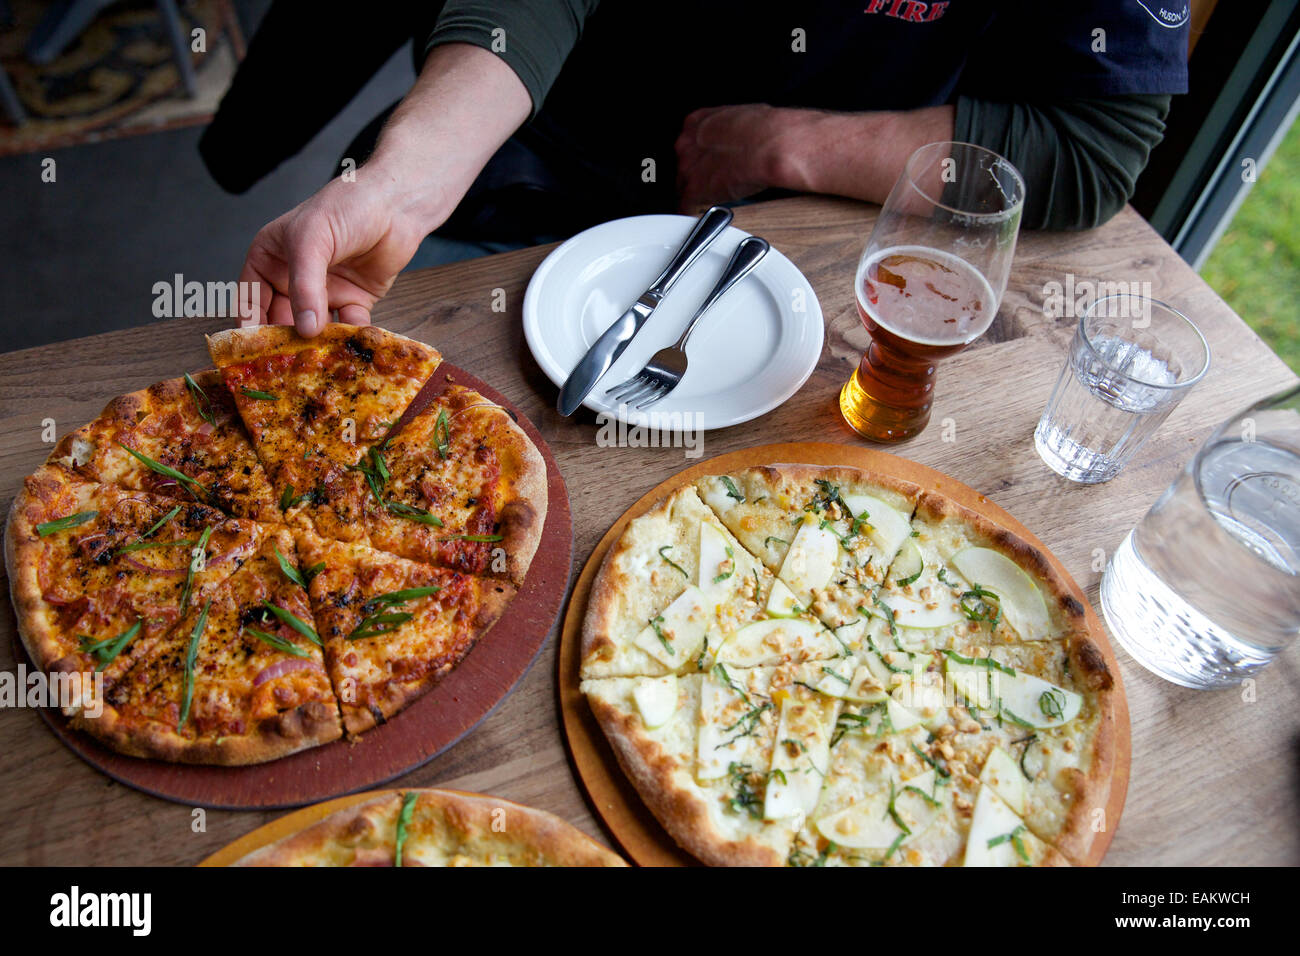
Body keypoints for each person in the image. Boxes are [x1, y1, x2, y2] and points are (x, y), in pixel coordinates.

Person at [201, 1, 1189, 336]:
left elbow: (1095, 143)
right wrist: (401, 182)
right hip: (539, 156)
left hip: (808, 236)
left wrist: (778, 144)